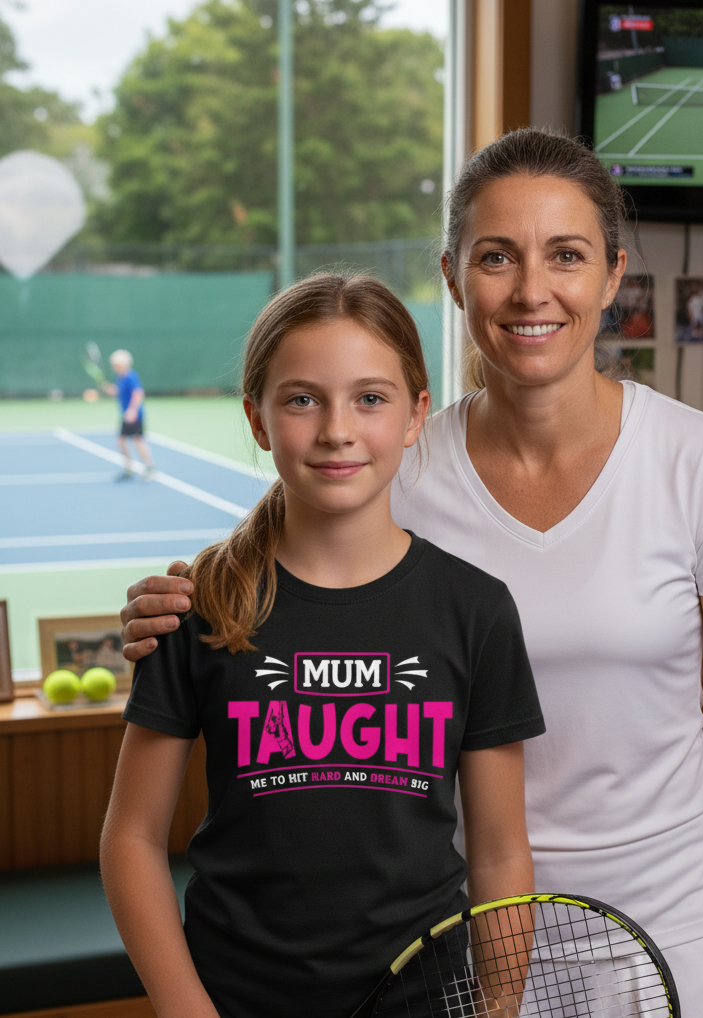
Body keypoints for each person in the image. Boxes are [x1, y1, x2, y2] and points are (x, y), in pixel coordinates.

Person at [119, 129, 703, 1018]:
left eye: (566, 255)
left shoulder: (701, 459)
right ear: (451, 276)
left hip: (672, 920)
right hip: (456, 934)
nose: (530, 290)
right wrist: (175, 602)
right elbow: (290, 558)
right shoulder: (403, 462)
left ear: (612, 275)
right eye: (495, 257)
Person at [101, 273, 545, 1018]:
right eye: (302, 400)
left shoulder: (475, 610)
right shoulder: (202, 605)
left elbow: (500, 851)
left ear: (416, 415)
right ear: (257, 418)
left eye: (370, 398)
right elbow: (132, 839)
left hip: (425, 1001)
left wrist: (498, 1004)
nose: (337, 429)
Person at [104, 349, 155, 481]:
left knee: (138, 441)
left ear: (123, 364)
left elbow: (138, 393)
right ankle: (128, 470)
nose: (113, 367)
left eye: (115, 364)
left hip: (134, 415)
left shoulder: (131, 376)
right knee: (121, 441)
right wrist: (110, 389)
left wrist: (132, 411)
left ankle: (150, 468)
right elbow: (118, 391)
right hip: (125, 415)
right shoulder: (120, 378)